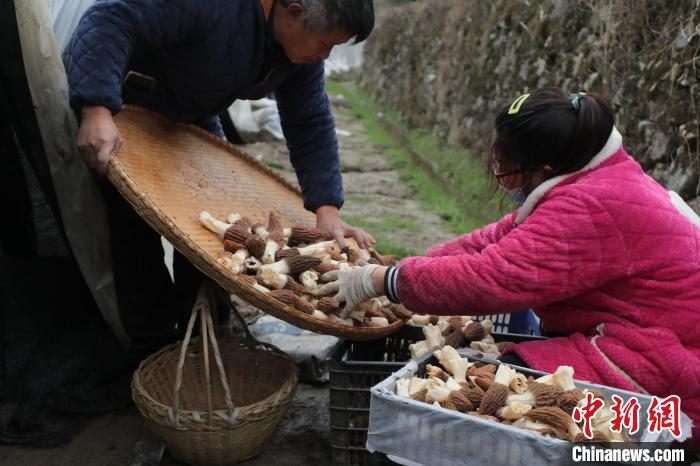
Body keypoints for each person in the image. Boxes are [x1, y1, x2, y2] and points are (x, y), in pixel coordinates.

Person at [329, 87, 700, 443]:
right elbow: (498, 238)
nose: (502, 177)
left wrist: (385, 281)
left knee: (507, 386)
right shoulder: (596, 178)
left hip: (666, 365)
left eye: (507, 170)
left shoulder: (591, 205)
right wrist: (414, 266)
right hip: (644, 339)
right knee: (503, 376)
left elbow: (493, 277)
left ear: (546, 168)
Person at [62, 0, 375, 348]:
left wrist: (327, 209)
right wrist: (96, 107)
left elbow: (310, 121)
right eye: (325, 44)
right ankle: (151, 347)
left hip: (189, 115)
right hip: (124, 105)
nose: (326, 55)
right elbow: (109, 17)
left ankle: (205, 334)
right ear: (294, 12)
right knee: (133, 229)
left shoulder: (297, 57)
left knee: (219, 231)